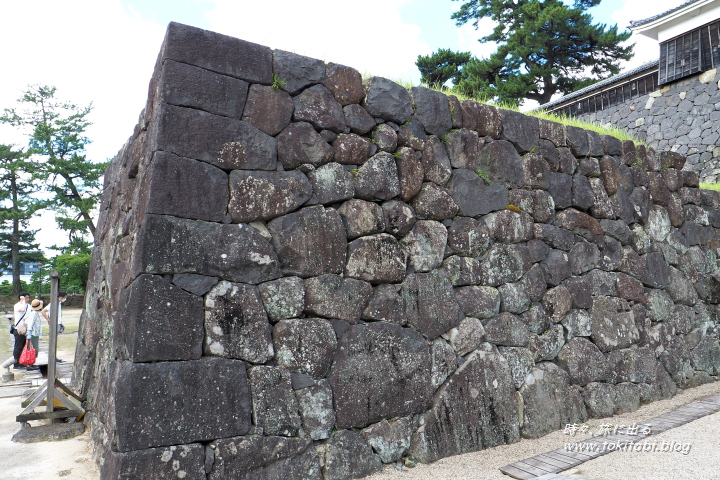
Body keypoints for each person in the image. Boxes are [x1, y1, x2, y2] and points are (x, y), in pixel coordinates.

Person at [1, 292, 30, 371]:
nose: (27, 299)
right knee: (18, 347)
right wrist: (23, 301)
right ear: (21, 298)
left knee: (23, 346)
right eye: (26, 298)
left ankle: (22, 362)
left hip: (25, 328)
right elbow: (22, 310)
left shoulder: (29, 306)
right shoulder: (17, 305)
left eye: (28, 298)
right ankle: (16, 364)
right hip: (18, 328)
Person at [23, 299, 48, 371]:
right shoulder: (34, 314)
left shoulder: (35, 313)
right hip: (32, 334)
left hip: (35, 334)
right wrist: (29, 335)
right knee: (33, 349)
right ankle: (29, 364)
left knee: (34, 349)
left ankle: (31, 363)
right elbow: (30, 324)